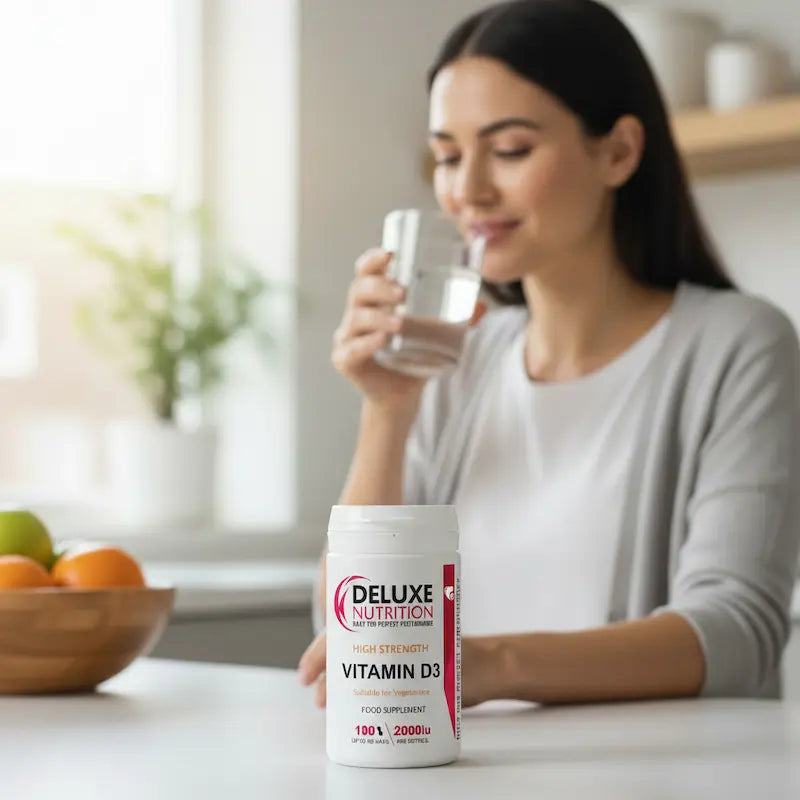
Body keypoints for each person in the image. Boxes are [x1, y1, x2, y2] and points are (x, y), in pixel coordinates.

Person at [298, 0, 800, 707]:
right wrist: (387, 407)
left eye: (509, 150)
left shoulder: (738, 345)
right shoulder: (461, 362)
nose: (466, 190)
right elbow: (344, 627)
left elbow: (735, 633)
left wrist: (490, 664)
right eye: (447, 156)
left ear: (619, 152)